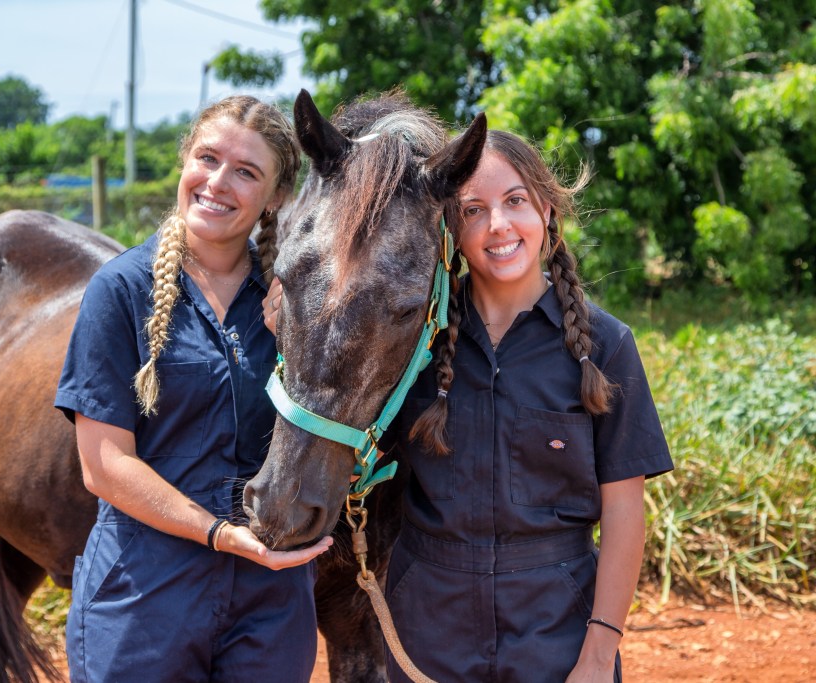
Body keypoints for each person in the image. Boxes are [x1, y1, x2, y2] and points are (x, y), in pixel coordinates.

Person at [371, 130, 673, 682]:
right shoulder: (415, 341)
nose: (498, 226)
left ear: (548, 210)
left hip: (557, 633)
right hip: (426, 630)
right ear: (450, 230)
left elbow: (626, 512)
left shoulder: (606, 346)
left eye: (515, 201)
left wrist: (598, 655)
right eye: (473, 210)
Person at [55, 95, 332, 683]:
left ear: (276, 197)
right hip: (145, 591)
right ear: (184, 162)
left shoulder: (295, 302)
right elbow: (103, 467)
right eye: (207, 158)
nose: (218, 182)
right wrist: (218, 534)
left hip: (270, 594)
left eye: (246, 172)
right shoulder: (120, 291)